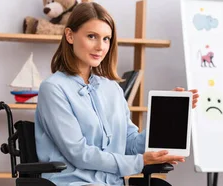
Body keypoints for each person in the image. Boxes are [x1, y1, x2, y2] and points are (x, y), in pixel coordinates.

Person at [34, 2, 199, 186]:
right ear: (70, 36)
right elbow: (78, 153)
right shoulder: (53, 89)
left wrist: (164, 117)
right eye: (92, 36)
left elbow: (129, 144)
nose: (100, 47)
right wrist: (140, 162)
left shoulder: (112, 89)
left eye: (106, 39)